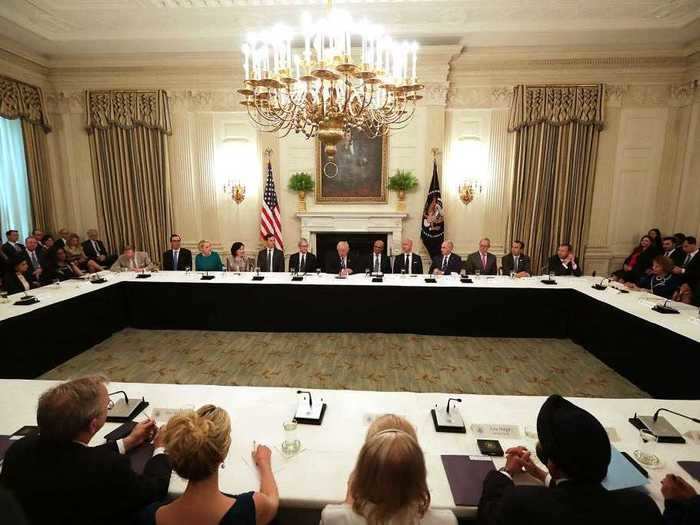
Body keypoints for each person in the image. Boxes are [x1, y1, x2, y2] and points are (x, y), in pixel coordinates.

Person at [0, 375, 172, 525]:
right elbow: (154, 489)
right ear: (93, 425)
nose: (109, 407)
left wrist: (128, 442)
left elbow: (76, 456)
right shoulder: (108, 468)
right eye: (108, 406)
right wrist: (160, 448)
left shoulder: (19, 449)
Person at [477, 395, 662, 525]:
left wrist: (506, 472)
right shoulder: (642, 507)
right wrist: (542, 475)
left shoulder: (521, 502)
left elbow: (489, 512)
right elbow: (576, 495)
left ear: (554, 467)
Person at [140, 405, 279, 525]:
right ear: (221, 455)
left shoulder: (151, 516)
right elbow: (272, 500)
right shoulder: (249, 508)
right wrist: (264, 462)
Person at [321, 414, 456, 525]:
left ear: (361, 475)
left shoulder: (334, 518)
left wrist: (348, 503)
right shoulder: (446, 521)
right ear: (419, 476)